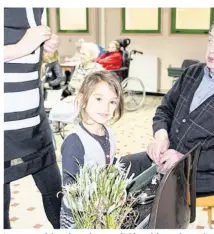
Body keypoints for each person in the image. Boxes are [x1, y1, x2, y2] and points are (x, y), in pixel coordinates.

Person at [121, 18, 214, 193]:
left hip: (206, 172)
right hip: (171, 156)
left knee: (145, 196)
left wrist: (184, 159)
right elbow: (165, 109)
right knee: (120, 169)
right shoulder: (192, 73)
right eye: (210, 40)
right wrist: (161, 136)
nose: (212, 49)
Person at [4, 7, 62, 229]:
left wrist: (48, 47)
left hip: (34, 120)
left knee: (57, 198)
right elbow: (21, 47)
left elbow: (34, 59)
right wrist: (20, 48)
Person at [59, 70, 124, 229]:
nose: (106, 108)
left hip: (101, 211)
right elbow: (70, 187)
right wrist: (95, 201)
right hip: (78, 216)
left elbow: (108, 163)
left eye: (112, 102)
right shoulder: (75, 141)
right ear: (82, 99)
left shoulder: (109, 133)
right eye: (99, 99)